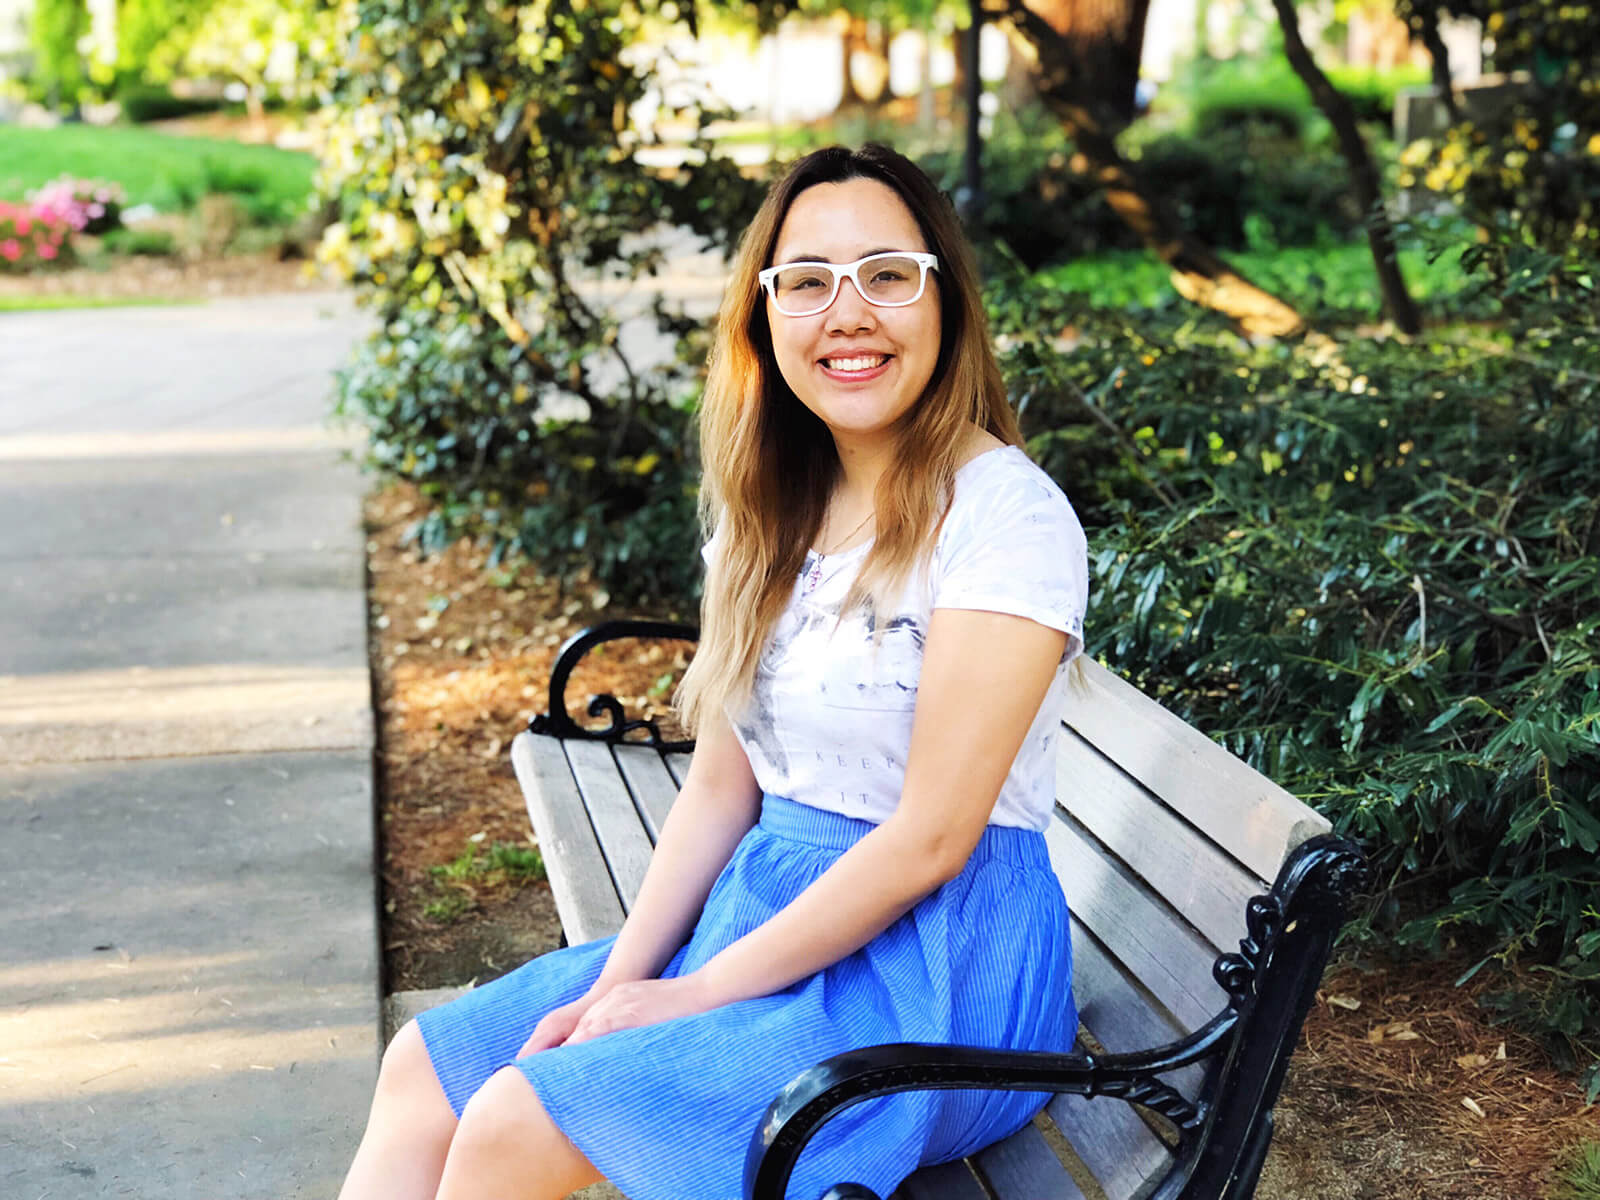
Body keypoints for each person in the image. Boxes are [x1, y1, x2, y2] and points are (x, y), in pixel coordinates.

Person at [337, 142, 1089, 1200]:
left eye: (886, 274)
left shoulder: (1002, 517)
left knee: (517, 1119)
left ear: (945, 302)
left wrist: (691, 1000)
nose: (849, 312)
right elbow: (722, 787)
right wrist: (628, 973)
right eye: (808, 281)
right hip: (771, 913)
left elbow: (929, 841)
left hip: (937, 970)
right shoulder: (770, 513)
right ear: (764, 315)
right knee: (429, 1068)